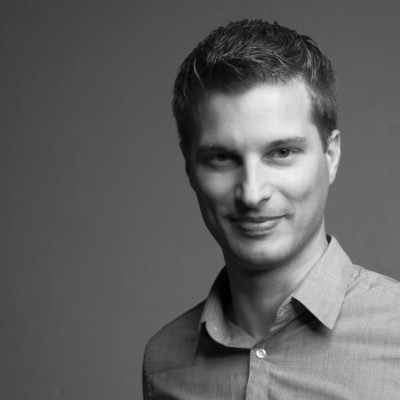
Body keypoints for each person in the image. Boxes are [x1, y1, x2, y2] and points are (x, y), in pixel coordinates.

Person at [142, 19, 400, 399]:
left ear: (331, 156)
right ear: (189, 166)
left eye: (281, 152)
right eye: (222, 157)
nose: (252, 193)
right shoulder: (164, 362)